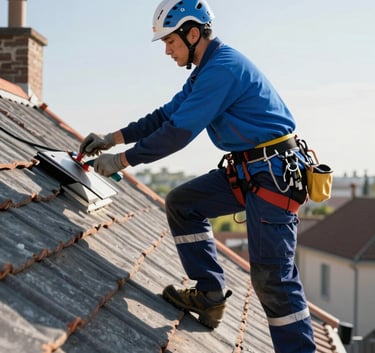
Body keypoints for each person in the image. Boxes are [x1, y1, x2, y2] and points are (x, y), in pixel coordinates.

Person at [79, 1, 316, 352]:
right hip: (251, 171)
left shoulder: (222, 69)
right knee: (183, 203)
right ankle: (210, 295)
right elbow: (164, 116)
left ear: (193, 34)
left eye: (170, 42)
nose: (167, 51)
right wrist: (111, 138)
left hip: (272, 176)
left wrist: (122, 160)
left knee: (272, 280)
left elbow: (177, 132)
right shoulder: (204, 73)